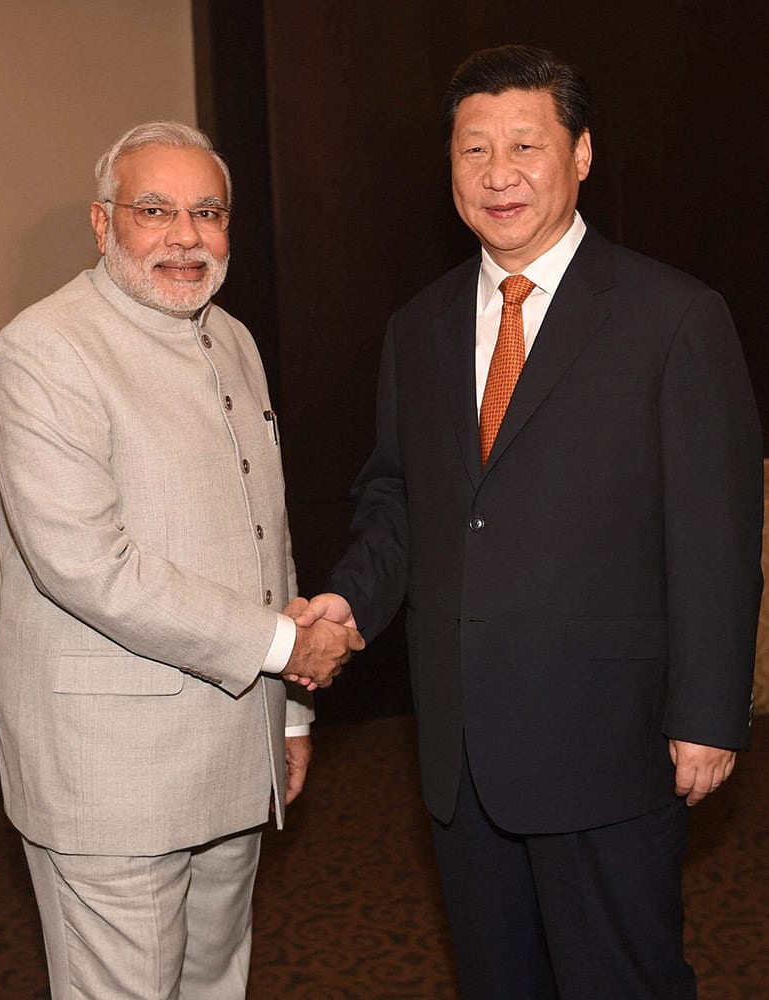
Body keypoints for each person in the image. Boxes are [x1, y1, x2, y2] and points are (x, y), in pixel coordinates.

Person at [293, 45, 763, 998]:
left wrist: (709, 714)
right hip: (461, 753)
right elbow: (398, 501)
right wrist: (347, 600)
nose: (498, 173)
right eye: (473, 150)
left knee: (622, 981)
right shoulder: (417, 329)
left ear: (581, 154)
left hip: (614, 743)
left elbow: (717, 533)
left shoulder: (675, 315)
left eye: (525, 144)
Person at [0, 120, 362, 1000]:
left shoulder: (231, 338)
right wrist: (283, 649)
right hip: (113, 779)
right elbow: (89, 564)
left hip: (232, 751)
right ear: (100, 221)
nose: (186, 236)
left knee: (215, 986)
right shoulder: (43, 351)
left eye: (208, 212)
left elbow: (265, 529)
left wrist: (290, 717)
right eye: (154, 210)